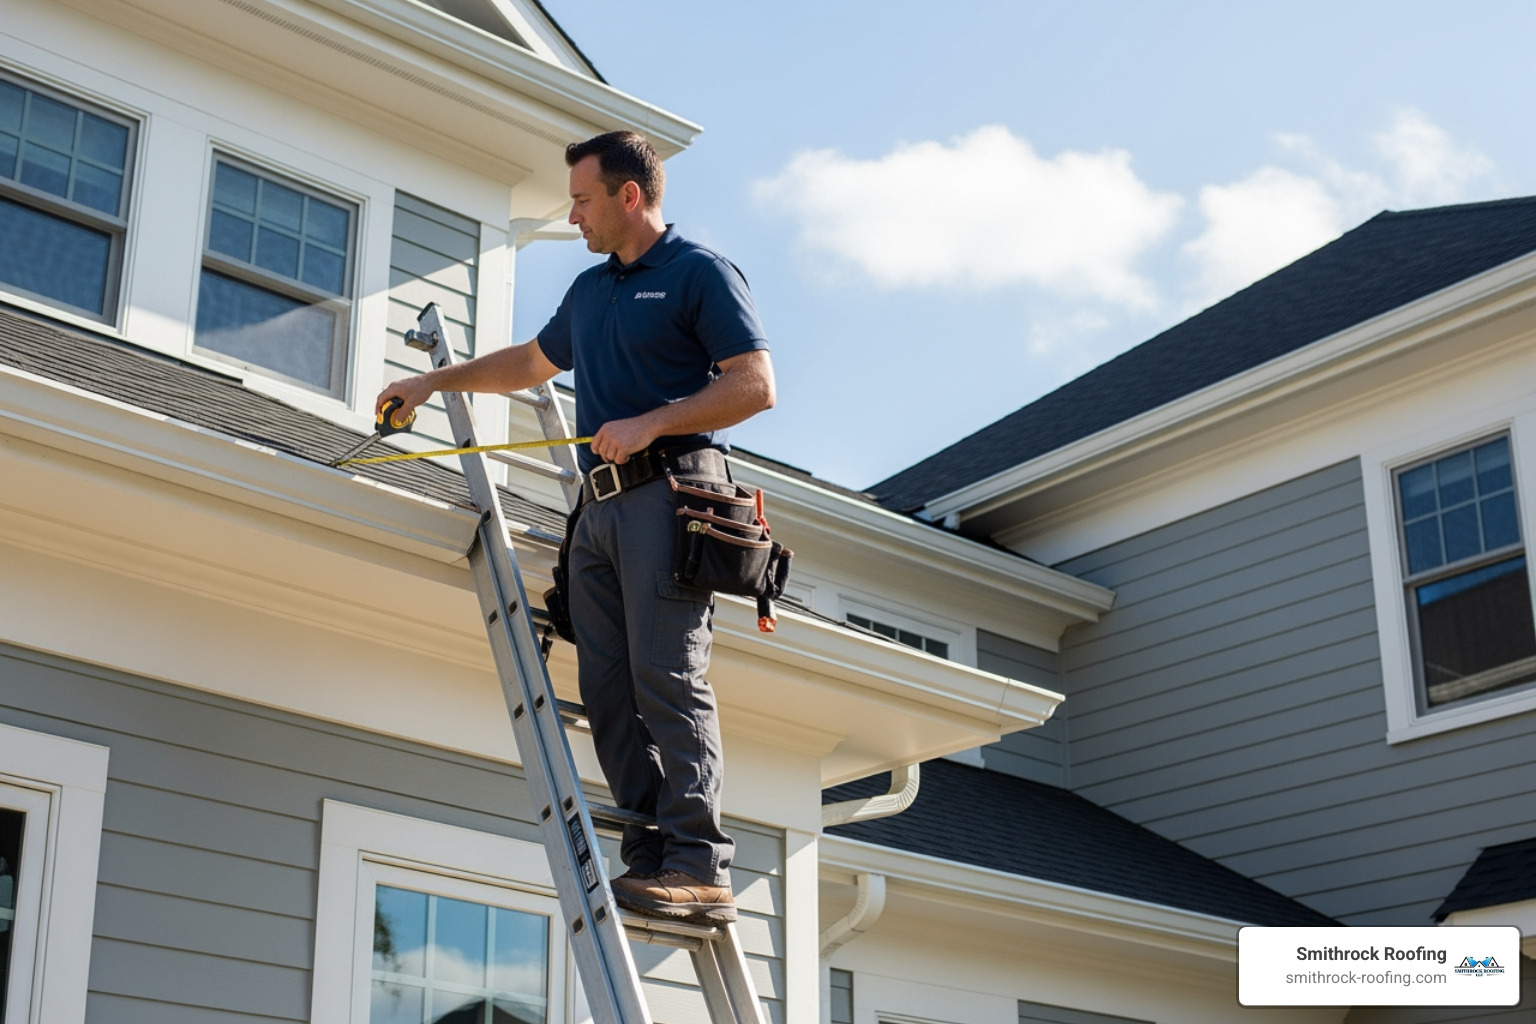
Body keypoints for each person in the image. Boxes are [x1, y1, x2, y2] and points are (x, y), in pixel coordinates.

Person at [376, 131, 774, 925]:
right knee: (607, 690)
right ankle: (652, 857)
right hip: (596, 511)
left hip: (673, 496)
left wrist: (651, 424)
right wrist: (429, 381)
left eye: (584, 199)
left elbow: (755, 386)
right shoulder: (592, 292)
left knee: (668, 677)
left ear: (631, 196)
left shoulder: (698, 272)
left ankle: (700, 864)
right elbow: (528, 363)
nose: (574, 214)